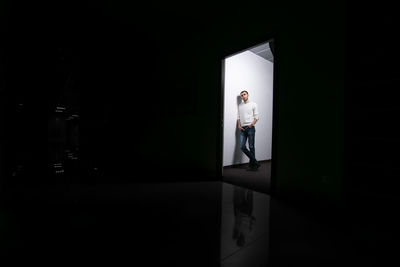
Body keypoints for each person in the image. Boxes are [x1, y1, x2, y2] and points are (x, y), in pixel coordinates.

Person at [237, 90, 260, 171]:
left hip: (250, 128)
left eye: (244, 94)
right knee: (242, 146)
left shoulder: (253, 104)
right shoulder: (240, 105)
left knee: (251, 146)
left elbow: (257, 117)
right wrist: (239, 125)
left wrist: (251, 124)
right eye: (242, 95)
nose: (243, 96)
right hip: (242, 129)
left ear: (248, 95)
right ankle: (255, 162)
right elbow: (239, 116)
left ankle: (252, 165)